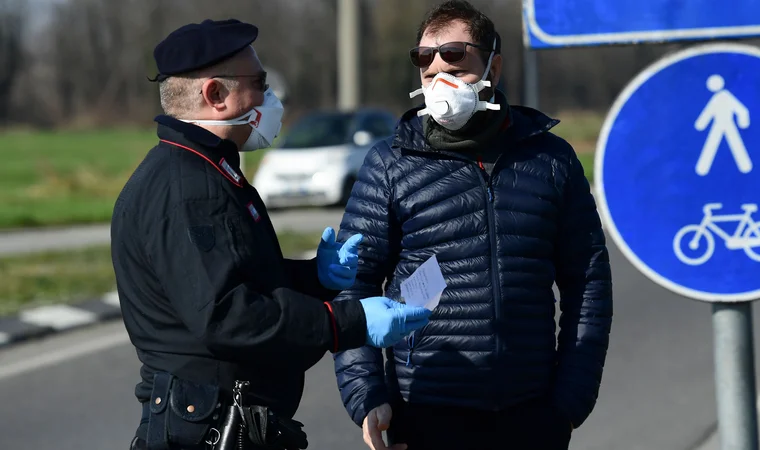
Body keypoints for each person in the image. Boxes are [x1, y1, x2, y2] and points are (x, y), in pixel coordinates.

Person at [110, 19, 431, 450]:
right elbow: (226, 314)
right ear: (216, 95)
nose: (270, 97)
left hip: (229, 422)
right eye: (259, 82)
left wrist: (315, 278)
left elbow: (234, 276)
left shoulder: (208, 170)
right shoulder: (187, 188)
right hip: (212, 430)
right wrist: (346, 323)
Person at [331, 2, 613, 449]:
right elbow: (352, 286)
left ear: (493, 69)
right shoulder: (390, 164)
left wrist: (570, 401)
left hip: (531, 413)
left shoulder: (550, 160)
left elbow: (589, 283)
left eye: (456, 68)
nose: (440, 83)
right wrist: (367, 395)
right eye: (428, 71)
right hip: (425, 410)